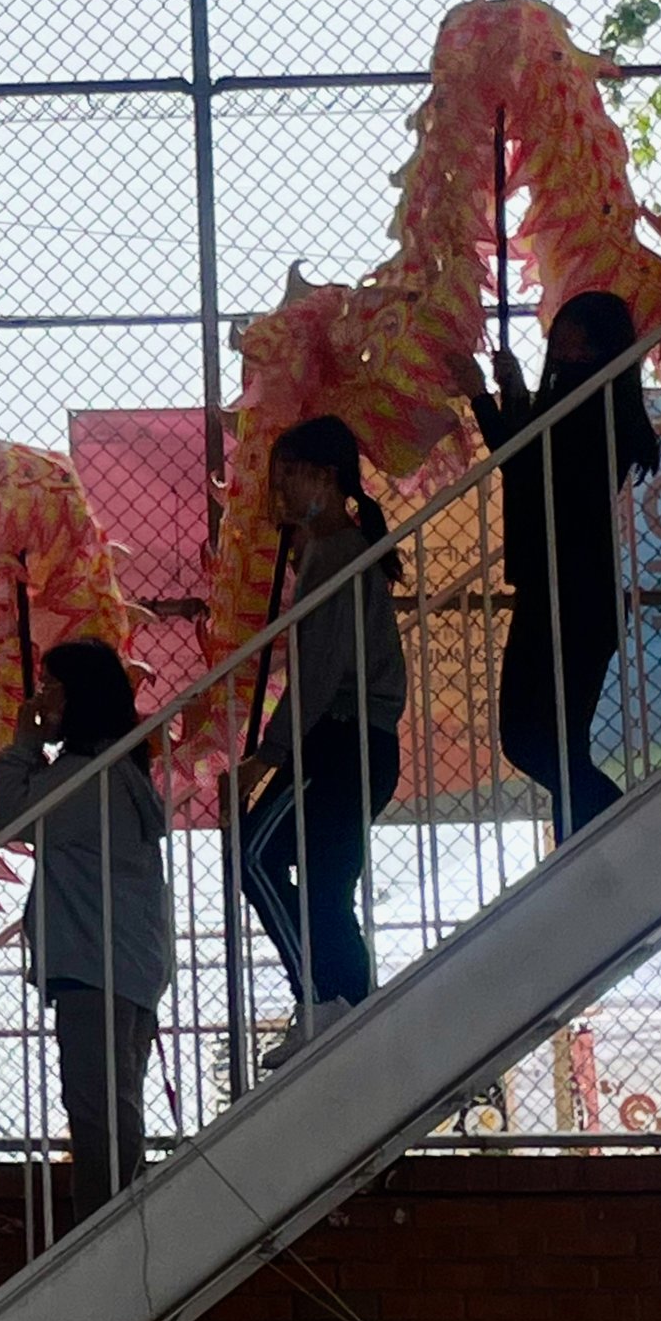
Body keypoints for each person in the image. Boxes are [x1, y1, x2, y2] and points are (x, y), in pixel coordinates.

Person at [452, 291, 661, 842]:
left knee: (532, 740)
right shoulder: (590, 399)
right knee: (555, 744)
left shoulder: (590, 401)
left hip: (572, 595)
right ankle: (592, 843)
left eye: (577, 336)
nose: (564, 344)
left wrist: (481, 396)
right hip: (565, 591)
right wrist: (514, 392)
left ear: (599, 346)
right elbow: (535, 451)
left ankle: (623, 828)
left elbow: (526, 463)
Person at [233, 418, 407, 1070]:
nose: (279, 493)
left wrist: (267, 755)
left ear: (326, 478)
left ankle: (318, 998)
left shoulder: (336, 553)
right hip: (361, 742)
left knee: (253, 857)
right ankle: (351, 1005)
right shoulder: (336, 549)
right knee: (327, 888)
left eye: (289, 477)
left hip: (339, 739)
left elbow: (319, 670)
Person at [0, 637, 171, 1221]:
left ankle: (105, 1230)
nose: (40, 698)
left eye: (50, 686)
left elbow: (9, 814)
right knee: (113, 1101)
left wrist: (24, 745)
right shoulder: (117, 771)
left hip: (95, 963)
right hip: (123, 961)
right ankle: (117, 1220)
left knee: (96, 1111)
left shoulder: (85, 777)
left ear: (77, 696)